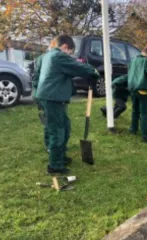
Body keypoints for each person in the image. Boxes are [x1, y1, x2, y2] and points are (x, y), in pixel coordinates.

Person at [36, 34, 100, 174]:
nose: (70, 55)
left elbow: (70, 69)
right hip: (52, 98)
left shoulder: (49, 56)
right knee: (57, 132)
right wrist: (93, 71)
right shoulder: (58, 56)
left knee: (65, 127)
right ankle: (55, 166)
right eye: (70, 52)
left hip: (53, 97)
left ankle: (60, 157)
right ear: (65, 47)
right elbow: (77, 66)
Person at [32, 38, 58, 152]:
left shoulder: (47, 58)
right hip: (44, 94)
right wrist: (38, 94)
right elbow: (36, 78)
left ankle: (54, 145)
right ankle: (49, 145)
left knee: (51, 120)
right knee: (49, 121)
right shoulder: (44, 59)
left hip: (48, 93)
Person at [127, 48, 147, 142]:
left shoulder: (133, 60)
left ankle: (133, 129)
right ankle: (146, 136)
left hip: (132, 88)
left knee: (135, 111)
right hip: (142, 89)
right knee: (144, 113)